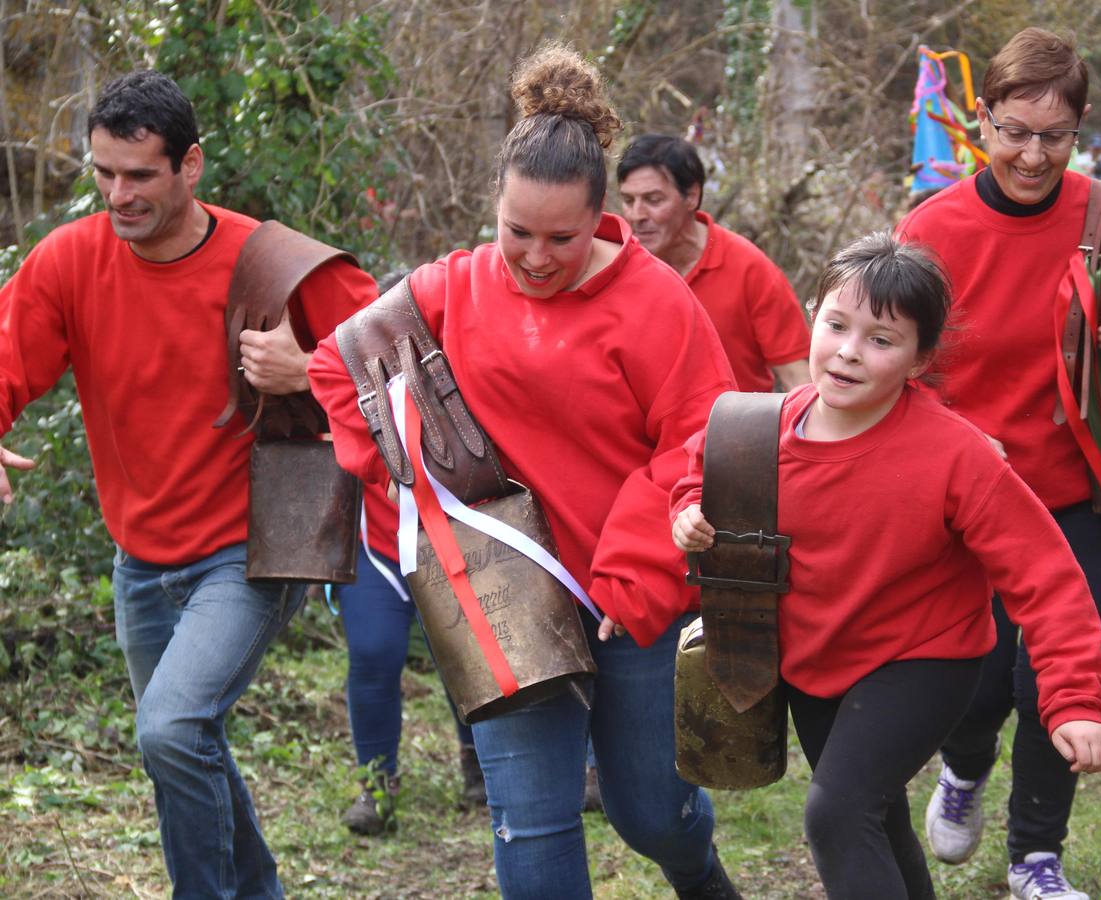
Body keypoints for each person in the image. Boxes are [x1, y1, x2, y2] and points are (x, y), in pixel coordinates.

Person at [308, 45, 742, 900]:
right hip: (504, 596)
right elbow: (338, 366)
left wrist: (637, 572)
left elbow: (700, 440)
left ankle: (702, 877)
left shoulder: (656, 302)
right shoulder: (453, 286)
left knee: (648, 812)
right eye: (517, 233)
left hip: (629, 598)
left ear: (601, 218)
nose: (536, 258)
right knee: (533, 818)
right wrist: (398, 470)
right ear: (493, 208)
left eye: (561, 238)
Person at [0, 70, 378, 896]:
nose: (116, 194)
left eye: (138, 175)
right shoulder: (70, 260)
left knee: (170, 728)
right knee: (183, 742)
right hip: (138, 560)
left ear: (191, 165)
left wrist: (311, 372)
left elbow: (401, 369)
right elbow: (6, 360)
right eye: (103, 173)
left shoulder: (273, 262)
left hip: (249, 550)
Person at [671, 233, 1101, 900]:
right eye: (837, 325)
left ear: (920, 360)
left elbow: (1047, 578)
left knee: (837, 814)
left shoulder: (955, 455)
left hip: (925, 660)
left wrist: (1075, 701)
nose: (851, 351)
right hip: (815, 663)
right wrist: (687, 511)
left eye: (882, 339)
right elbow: (697, 473)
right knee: (876, 819)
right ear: (811, 317)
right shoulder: (751, 430)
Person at [896, 28, 1101, 900]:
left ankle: (1036, 858)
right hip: (977, 496)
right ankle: (963, 764)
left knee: (1054, 676)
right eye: (1013, 131)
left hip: (1089, 490)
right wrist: (943, 444)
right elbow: (895, 353)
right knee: (985, 675)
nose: (1032, 155)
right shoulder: (932, 229)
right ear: (981, 120)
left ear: (1079, 132)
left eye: (1054, 136)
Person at [333, 481, 489, 835]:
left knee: (462, 646)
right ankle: (376, 783)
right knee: (374, 650)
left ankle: (477, 758)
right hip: (375, 541)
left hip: (460, 529)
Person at [617, 134, 810, 392]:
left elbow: (797, 376)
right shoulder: (618, 267)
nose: (637, 215)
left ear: (692, 196)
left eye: (653, 200)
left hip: (733, 426)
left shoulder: (749, 268)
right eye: (629, 201)